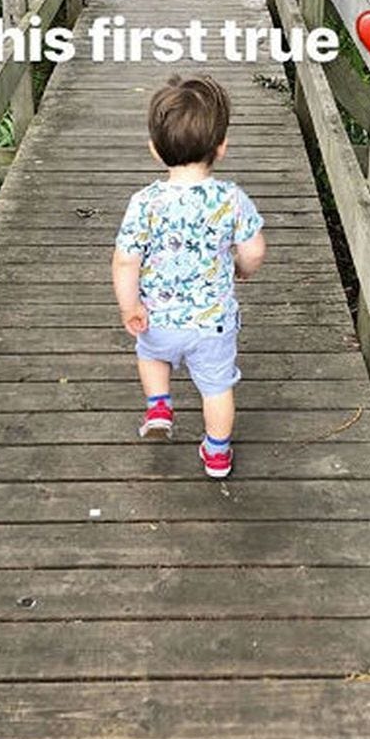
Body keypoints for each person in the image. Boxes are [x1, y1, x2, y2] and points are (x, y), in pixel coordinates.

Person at [112, 76, 266, 479]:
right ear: (221, 148)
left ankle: (159, 405)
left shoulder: (144, 203)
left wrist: (131, 306)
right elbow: (254, 250)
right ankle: (216, 453)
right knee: (217, 388)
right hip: (212, 324)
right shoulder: (231, 199)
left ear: (154, 150)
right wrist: (241, 270)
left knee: (151, 355)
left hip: (159, 318)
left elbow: (125, 260)